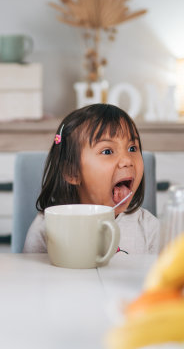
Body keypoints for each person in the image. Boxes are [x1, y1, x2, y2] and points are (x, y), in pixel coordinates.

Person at [23, 103, 159, 254]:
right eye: (107, 151)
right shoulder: (47, 227)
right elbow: (32, 276)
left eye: (132, 148)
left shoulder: (149, 228)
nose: (127, 160)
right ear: (72, 172)